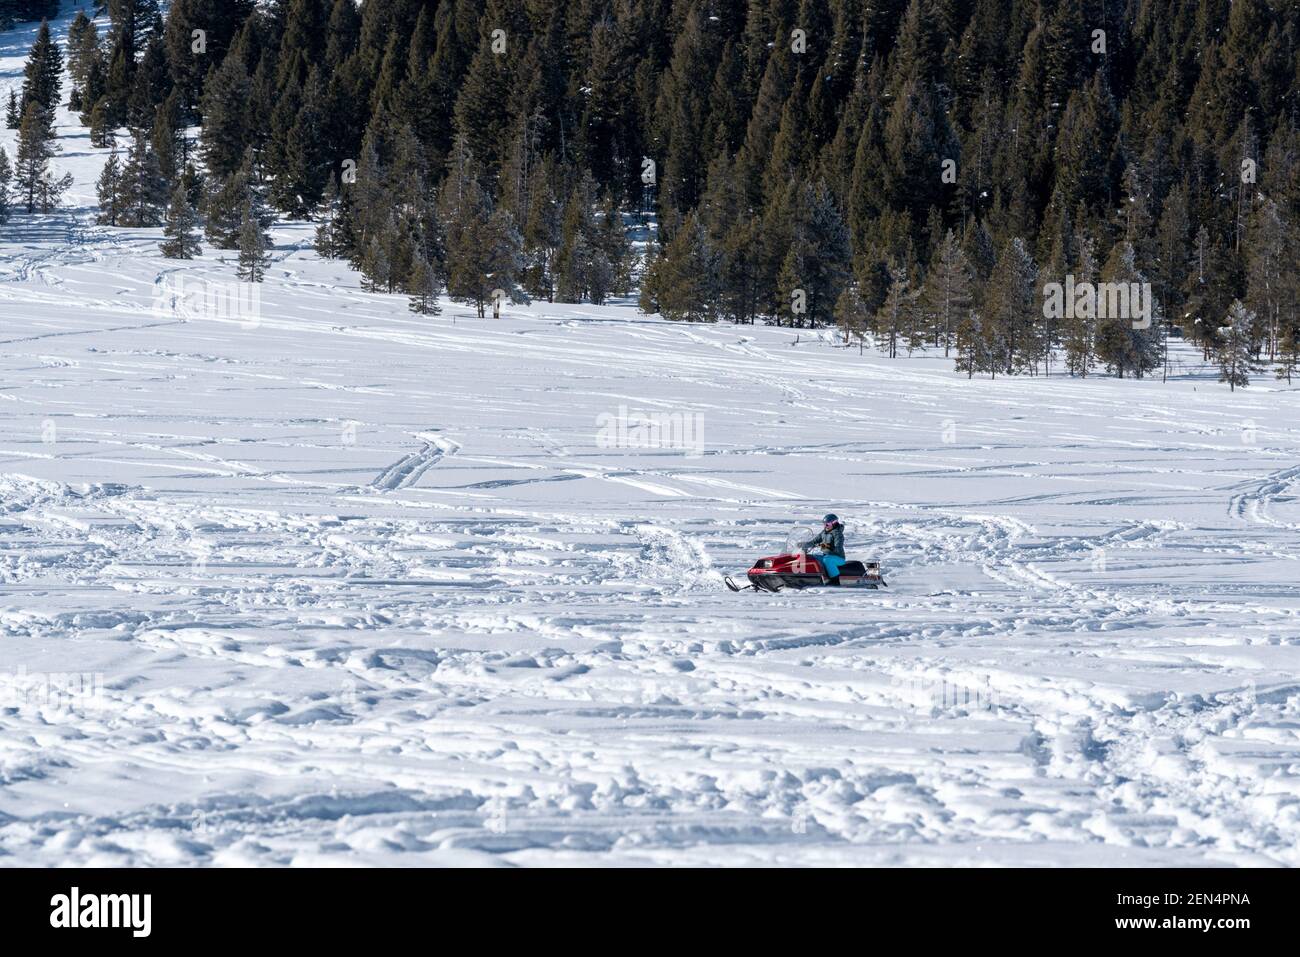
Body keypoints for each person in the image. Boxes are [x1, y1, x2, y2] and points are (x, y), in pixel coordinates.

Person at [803, 514, 846, 583]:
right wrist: (803, 544)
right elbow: (814, 541)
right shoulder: (824, 532)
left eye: (827, 524)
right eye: (824, 524)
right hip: (826, 556)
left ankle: (835, 581)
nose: (825, 526)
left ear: (834, 523)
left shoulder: (838, 534)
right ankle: (812, 578)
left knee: (827, 560)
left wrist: (823, 545)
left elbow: (837, 547)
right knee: (811, 558)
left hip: (838, 558)